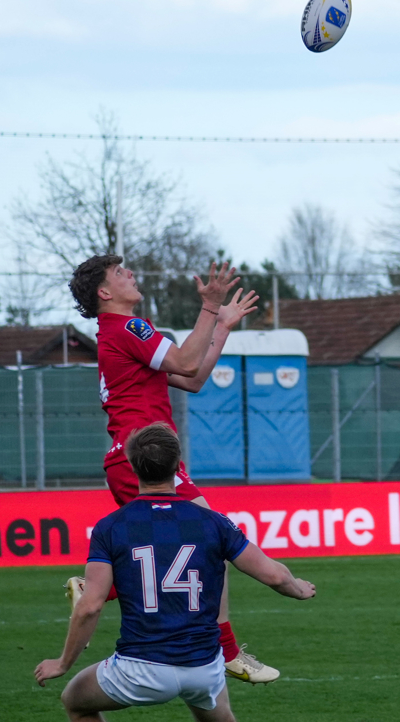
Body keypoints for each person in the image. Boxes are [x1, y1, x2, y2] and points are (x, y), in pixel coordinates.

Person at [34, 423, 317, 722]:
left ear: (132, 467)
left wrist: (62, 663)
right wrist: (299, 589)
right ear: (178, 465)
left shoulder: (112, 526)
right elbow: (274, 575)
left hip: (140, 668)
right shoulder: (212, 522)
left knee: (75, 701)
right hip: (204, 666)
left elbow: (90, 604)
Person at [65, 254, 278, 684]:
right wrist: (209, 306)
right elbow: (186, 363)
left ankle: (98, 589)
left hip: (139, 457)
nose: (130, 274)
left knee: (186, 546)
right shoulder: (130, 327)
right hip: (141, 456)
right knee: (211, 539)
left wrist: (221, 327)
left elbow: (192, 379)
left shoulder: (117, 335)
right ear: (104, 292)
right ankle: (228, 651)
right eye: (120, 272)